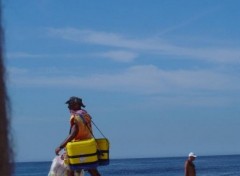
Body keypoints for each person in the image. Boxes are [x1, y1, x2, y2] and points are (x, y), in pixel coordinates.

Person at [55, 96, 101, 176]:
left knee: (70, 168)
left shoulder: (76, 117)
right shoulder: (86, 115)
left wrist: (60, 147)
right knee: (92, 169)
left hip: (77, 147)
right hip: (89, 145)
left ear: (75, 105)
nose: (68, 107)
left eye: (70, 104)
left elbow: (73, 134)